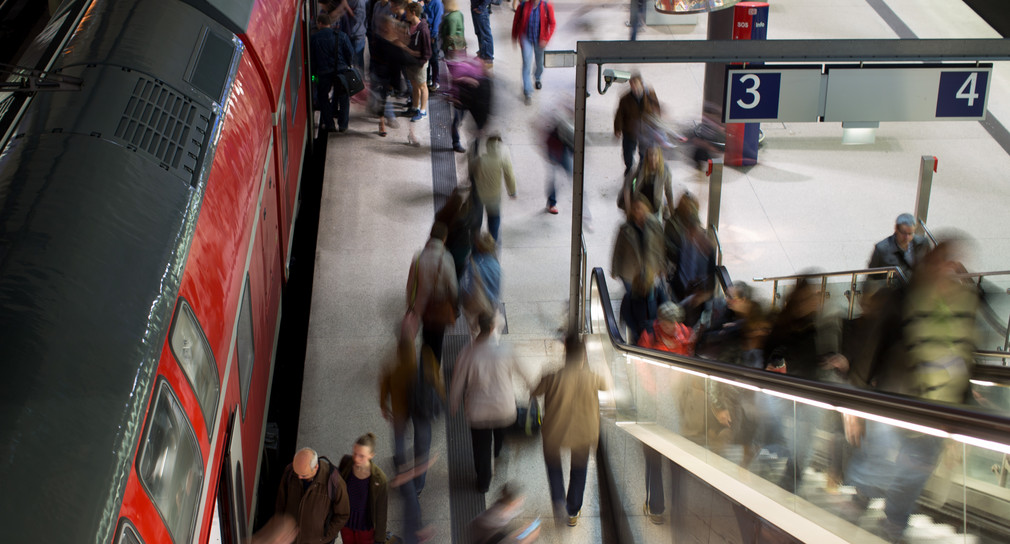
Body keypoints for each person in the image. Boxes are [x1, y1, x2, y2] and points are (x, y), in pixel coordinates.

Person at [450, 313, 533, 493]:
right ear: (493, 328)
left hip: (478, 411)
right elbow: (524, 373)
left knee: (480, 447)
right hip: (504, 409)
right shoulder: (506, 350)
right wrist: (532, 388)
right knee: (500, 435)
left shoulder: (467, 353)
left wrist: (454, 403)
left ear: (479, 326)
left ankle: (484, 481)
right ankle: (498, 454)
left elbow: (457, 383)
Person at [532, 333, 608, 527]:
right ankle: (572, 511)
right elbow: (607, 386)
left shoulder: (552, 376)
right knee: (579, 470)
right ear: (583, 357)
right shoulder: (593, 377)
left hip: (555, 430)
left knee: (553, 464)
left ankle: (558, 499)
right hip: (584, 432)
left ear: (565, 353)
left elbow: (534, 391)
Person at [611, 194, 665, 344]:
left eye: (640, 208)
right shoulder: (625, 228)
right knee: (634, 300)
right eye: (635, 209)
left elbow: (660, 247)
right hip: (629, 272)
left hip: (649, 271)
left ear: (647, 208)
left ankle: (648, 331)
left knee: (649, 298)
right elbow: (618, 250)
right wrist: (615, 269)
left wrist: (662, 266)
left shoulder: (655, 225)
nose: (638, 211)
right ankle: (635, 334)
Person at [406, 222, 459, 364]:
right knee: (438, 340)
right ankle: (434, 369)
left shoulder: (418, 258)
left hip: (422, 307)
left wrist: (410, 305)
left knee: (426, 336)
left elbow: (410, 285)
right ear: (444, 239)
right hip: (440, 306)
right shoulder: (447, 259)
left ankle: (425, 361)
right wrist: (455, 304)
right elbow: (453, 288)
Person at [274, 447, 350, 544]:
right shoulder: (290, 472)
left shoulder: (335, 483)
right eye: (297, 473)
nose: (299, 477)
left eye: (304, 475)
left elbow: (342, 515)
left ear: (316, 467)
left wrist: (324, 537)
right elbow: (280, 503)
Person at [337, 433, 389, 544]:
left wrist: (380, 539)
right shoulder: (346, 464)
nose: (356, 458)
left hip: (365, 526)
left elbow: (381, 511)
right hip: (346, 522)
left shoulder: (380, 479)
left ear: (371, 455)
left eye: (361, 456)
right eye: (354, 453)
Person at [469, 131, 517, 242]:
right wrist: (512, 191)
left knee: (476, 222)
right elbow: (509, 174)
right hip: (494, 195)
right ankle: (492, 245)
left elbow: (471, 170)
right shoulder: (504, 153)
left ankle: (475, 246)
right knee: (494, 220)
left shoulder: (478, 154)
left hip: (478, 193)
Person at [613, 73, 661, 175]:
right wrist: (618, 129)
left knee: (644, 153)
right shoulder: (625, 98)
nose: (634, 87)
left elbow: (656, 109)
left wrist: (657, 125)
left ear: (641, 84)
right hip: (630, 130)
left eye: (636, 84)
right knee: (628, 152)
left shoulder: (650, 95)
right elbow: (619, 114)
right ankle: (629, 167)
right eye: (632, 84)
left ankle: (641, 169)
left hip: (645, 130)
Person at [510, 0, 555, 105]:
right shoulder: (523, 6)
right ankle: (527, 91)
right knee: (526, 63)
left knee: (540, 63)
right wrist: (514, 36)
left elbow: (552, 23)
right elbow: (516, 21)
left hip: (540, 39)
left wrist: (547, 39)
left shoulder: (547, 6)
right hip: (526, 38)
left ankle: (537, 77)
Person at [460, 232, 502, 336]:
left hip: (476, 304)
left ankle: (475, 347)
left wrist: (463, 296)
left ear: (479, 247)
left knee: (474, 330)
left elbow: (467, 287)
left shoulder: (473, 264)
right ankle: (489, 347)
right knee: (489, 329)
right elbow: (497, 290)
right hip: (490, 305)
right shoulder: (497, 266)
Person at [469, 483, 542, 543]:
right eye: (518, 501)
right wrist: (526, 540)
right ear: (511, 504)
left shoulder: (494, 512)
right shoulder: (494, 521)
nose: (521, 501)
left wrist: (520, 532)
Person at [868, 213, 930, 280]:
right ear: (896, 229)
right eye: (903, 233)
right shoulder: (882, 249)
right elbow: (871, 276)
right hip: (893, 288)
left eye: (910, 233)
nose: (907, 237)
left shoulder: (922, 244)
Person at [621, 145, 674, 222]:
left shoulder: (665, 170)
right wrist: (629, 209)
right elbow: (627, 186)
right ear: (647, 156)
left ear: (659, 156)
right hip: (640, 206)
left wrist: (672, 213)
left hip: (655, 207)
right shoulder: (640, 167)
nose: (653, 158)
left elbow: (668, 192)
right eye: (650, 154)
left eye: (655, 155)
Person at [310, 13, 338, 132]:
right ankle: (335, 118)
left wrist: (312, 77)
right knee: (335, 94)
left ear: (320, 23)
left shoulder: (315, 37)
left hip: (321, 74)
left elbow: (311, 59)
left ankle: (329, 123)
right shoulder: (337, 36)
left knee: (323, 97)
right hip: (336, 72)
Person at [543, 108, 573, 215]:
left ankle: (552, 202)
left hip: (563, 150)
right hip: (556, 151)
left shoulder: (572, 122)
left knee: (573, 176)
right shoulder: (558, 124)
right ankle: (552, 203)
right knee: (555, 178)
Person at [422, 0, 444, 90]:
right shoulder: (424, 2)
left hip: (432, 35)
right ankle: (427, 79)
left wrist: (433, 35)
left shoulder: (437, 3)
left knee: (434, 58)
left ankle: (436, 81)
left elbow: (437, 20)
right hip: (425, 33)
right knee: (426, 57)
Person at [471, 0, 494, 64]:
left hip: (482, 10)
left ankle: (488, 57)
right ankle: (482, 53)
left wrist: (481, 8)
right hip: (475, 7)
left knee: (485, 34)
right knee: (479, 33)